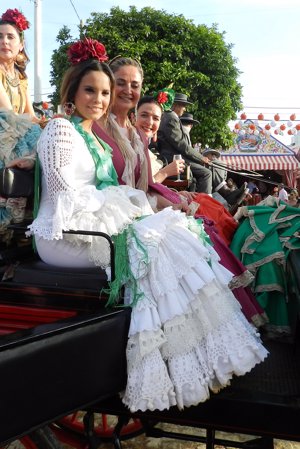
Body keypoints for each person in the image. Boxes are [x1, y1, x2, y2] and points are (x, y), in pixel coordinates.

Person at [28, 38, 268, 413]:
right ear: (71, 93)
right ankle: (173, 364)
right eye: (90, 90)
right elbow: (64, 202)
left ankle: (203, 356)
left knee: (178, 236)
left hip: (95, 223)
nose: (99, 99)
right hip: (65, 234)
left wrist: (132, 208)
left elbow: (105, 189)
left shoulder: (90, 134)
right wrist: (126, 212)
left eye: (104, 92)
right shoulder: (61, 131)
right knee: (158, 245)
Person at [0, 8, 41, 243]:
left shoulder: (21, 77)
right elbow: (6, 113)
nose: (4, 41)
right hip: (4, 129)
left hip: (19, 129)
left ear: (20, 45)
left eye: (10, 36)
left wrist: (52, 123)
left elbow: (30, 115)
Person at [157, 92, 213, 194]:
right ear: (175, 105)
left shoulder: (172, 117)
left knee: (206, 168)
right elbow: (181, 144)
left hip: (178, 157)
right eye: (183, 106)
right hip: (172, 159)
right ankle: (205, 205)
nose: (185, 109)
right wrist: (201, 158)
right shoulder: (170, 118)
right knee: (206, 173)